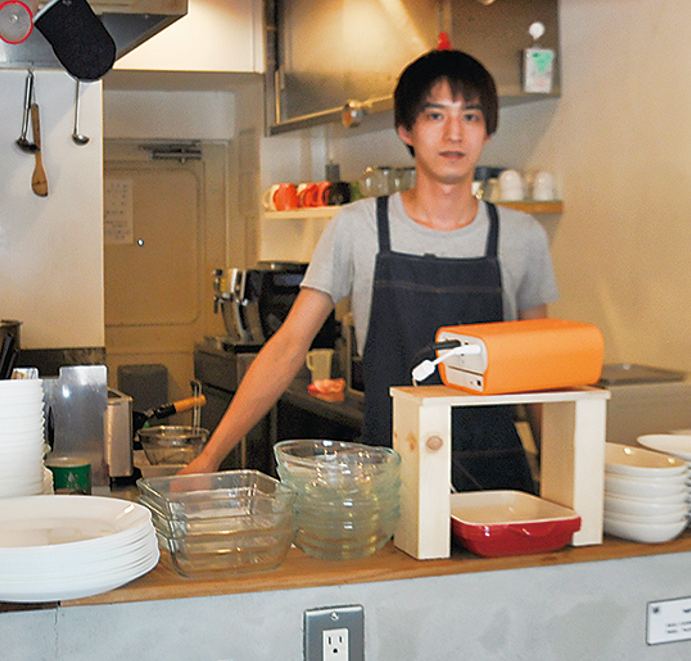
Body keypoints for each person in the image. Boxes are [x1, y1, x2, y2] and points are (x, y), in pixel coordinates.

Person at [182, 49, 559, 491]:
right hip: (392, 476)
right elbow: (288, 347)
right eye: (436, 116)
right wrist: (210, 457)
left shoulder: (521, 236)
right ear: (406, 130)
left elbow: (543, 375)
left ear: (487, 131)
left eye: (471, 117)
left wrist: (563, 479)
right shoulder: (358, 227)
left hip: (499, 483)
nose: (454, 133)